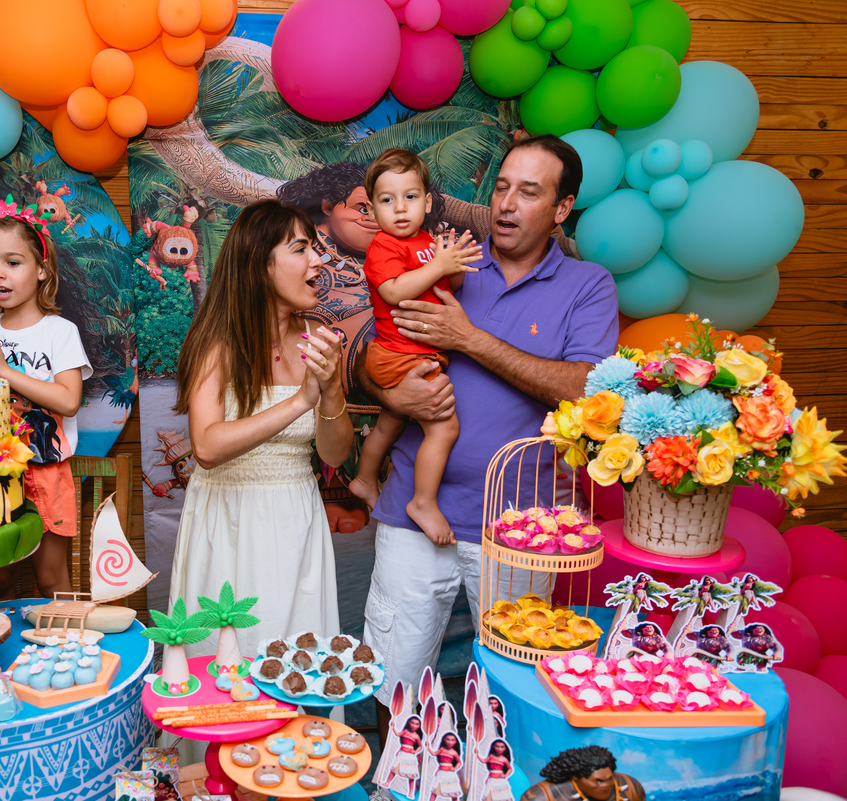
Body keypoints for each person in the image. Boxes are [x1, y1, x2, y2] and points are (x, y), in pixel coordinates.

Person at [359, 135, 619, 728]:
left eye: (528, 193)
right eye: (501, 187)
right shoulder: (444, 258)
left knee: (517, 683)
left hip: (521, 525)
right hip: (411, 514)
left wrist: (468, 337)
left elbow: (587, 390)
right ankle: (394, 785)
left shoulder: (588, 285)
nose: (506, 203)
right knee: (394, 676)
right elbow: (380, 347)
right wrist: (388, 390)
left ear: (561, 209)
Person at [168, 199, 353, 659]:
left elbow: (333, 455)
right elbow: (207, 447)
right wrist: (299, 402)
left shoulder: (318, 336)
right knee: (229, 663)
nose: (317, 260)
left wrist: (330, 391)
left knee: (297, 660)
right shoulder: (216, 341)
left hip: (296, 518)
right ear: (260, 264)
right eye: (300, 249)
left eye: (315, 248)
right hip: (230, 522)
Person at [349, 149, 483, 544]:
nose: (400, 208)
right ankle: (422, 502)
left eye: (410, 197)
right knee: (444, 428)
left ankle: (363, 479)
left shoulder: (428, 243)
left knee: (391, 421)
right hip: (398, 355)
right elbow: (393, 291)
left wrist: (452, 268)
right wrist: (438, 267)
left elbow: (441, 288)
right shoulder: (385, 247)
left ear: (427, 202)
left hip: (414, 352)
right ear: (372, 209)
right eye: (387, 200)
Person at [0, 199, 92, 598]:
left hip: (46, 469)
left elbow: (69, 401)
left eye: (13, 262)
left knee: (52, 579)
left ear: (42, 270)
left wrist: (5, 371)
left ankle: (68, 655)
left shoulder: (59, 332)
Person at [520, 746, 645, 801]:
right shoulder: (543, 797)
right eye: (599, 781)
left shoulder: (631, 786)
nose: (606, 785)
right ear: (576, 778)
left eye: (609, 779)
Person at [427, 732, 464, 801]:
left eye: (452, 740)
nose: (450, 742)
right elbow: (434, 753)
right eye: (448, 739)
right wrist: (428, 747)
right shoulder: (442, 749)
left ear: (456, 742)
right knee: (435, 789)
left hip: (450, 773)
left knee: (453, 791)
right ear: (444, 739)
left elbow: (459, 762)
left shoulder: (454, 752)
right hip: (441, 772)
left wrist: (454, 768)